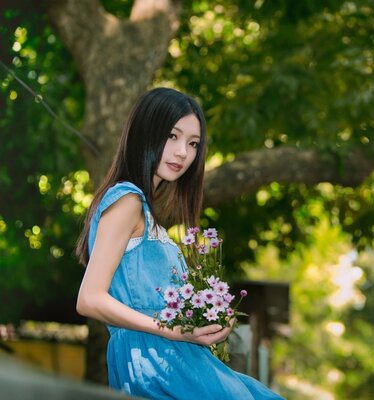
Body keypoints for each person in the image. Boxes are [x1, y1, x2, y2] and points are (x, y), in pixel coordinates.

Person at [75, 87, 284, 399]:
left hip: (177, 357)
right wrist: (174, 329)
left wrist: (207, 319)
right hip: (157, 361)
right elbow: (89, 299)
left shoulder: (146, 212)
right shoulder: (127, 200)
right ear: (146, 132)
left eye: (193, 143)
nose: (183, 152)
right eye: (172, 136)